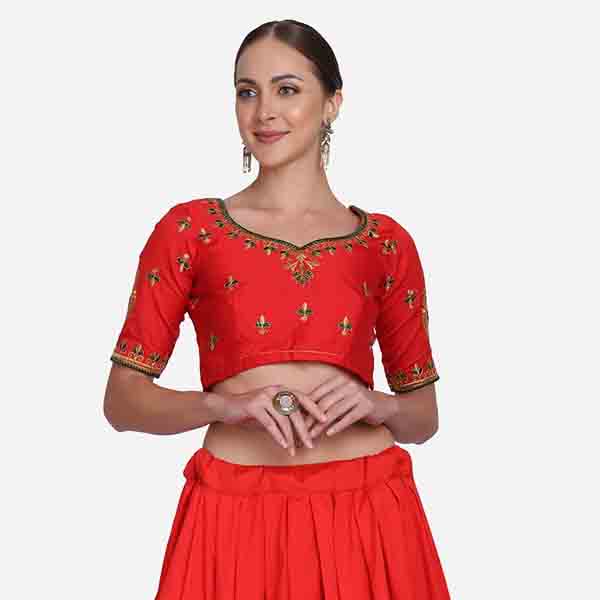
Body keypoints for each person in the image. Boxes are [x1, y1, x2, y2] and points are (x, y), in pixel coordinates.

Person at [104, 19, 451, 600]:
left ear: (332, 103)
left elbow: (424, 417)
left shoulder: (385, 243)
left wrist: (378, 404)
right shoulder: (191, 231)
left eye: (287, 89)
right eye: (248, 92)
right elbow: (122, 402)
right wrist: (225, 406)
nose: (264, 111)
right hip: (234, 516)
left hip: (369, 518)